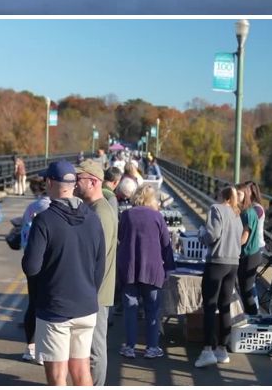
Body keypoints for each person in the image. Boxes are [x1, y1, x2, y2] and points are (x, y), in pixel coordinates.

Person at [23, 161, 105, 386]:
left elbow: (30, 267)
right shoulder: (93, 219)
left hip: (55, 307)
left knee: (58, 375)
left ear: (49, 183)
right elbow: (100, 267)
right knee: (81, 370)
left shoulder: (44, 220)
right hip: (86, 305)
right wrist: (89, 291)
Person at [116, 183, 174, 359]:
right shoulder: (157, 217)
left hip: (130, 268)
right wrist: (169, 267)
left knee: (130, 309)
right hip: (152, 269)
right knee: (152, 310)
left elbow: (120, 236)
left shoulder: (126, 215)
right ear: (152, 199)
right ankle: (151, 347)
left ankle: (130, 347)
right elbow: (166, 244)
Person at [74, 160, 117, 385]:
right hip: (92, 291)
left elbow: (95, 258)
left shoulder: (100, 212)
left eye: (77, 179)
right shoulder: (92, 208)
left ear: (93, 182)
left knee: (94, 349)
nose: (73, 183)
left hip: (96, 293)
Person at [193, 185, 243, 368]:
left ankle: (207, 350)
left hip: (217, 262)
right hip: (233, 263)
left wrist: (201, 234)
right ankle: (222, 349)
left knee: (209, 306)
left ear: (222, 196)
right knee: (224, 307)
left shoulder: (216, 209)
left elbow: (212, 235)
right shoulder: (237, 213)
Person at [19, 177, 53, 363]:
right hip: (50, 263)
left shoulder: (32, 207)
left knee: (33, 303)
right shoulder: (54, 208)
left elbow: (24, 231)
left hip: (31, 258)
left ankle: (30, 347)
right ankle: (45, 349)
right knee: (48, 305)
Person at [237, 181, 265, 316]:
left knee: (248, 287)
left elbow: (245, 236)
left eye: (239, 193)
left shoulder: (255, 210)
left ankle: (254, 314)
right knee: (245, 286)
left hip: (254, 248)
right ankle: (250, 314)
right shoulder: (247, 210)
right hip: (248, 250)